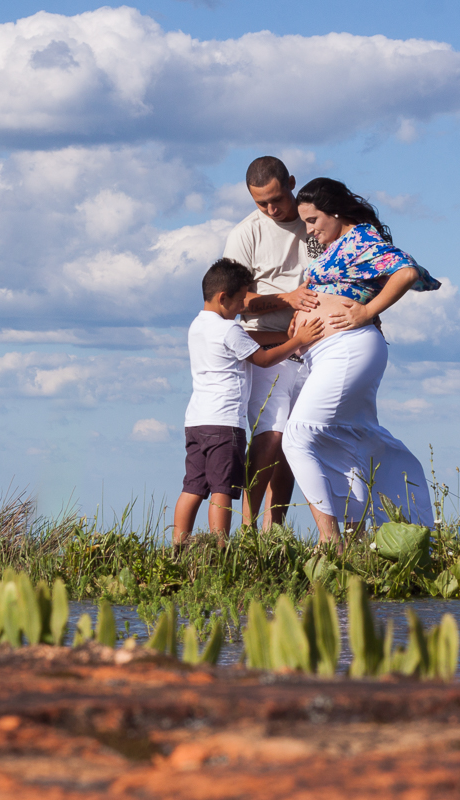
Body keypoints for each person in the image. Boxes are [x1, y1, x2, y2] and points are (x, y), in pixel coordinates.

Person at [281, 178, 440, 548]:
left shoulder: (361, 239)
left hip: (349, 347)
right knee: (344, 442)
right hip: (328, 353)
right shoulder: (336, 244)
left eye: (314, 219)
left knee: (298, 435)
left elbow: (407, 272)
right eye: (305, 222)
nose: (310, 229)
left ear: (335, 212)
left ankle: (330, 541)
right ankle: (356, 540)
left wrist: (367, 310)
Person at [173, 258, 324, 546]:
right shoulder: (228, 330)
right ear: (223, 298)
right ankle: (220, 547)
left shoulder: (197, 326)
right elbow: (264, 359)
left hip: (196, 421)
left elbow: (248, 339)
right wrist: (298, 340)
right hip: (224, 422)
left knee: (193, 485)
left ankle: (178, 544)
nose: (244, 306)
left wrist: (283, 335)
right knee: (222, 487)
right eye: (241, 299)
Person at [222, 156, 322, 531]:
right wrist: (287, 299)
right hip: (266, 346)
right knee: (272, 435)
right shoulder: (245, 233)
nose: (271, 209)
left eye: (277, 199)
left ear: (292, 183)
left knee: (296, 439)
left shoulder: (316, 221)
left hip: (312, 347)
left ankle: (274, 529)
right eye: (261, 203)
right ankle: (247, 530)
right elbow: (233, 301)